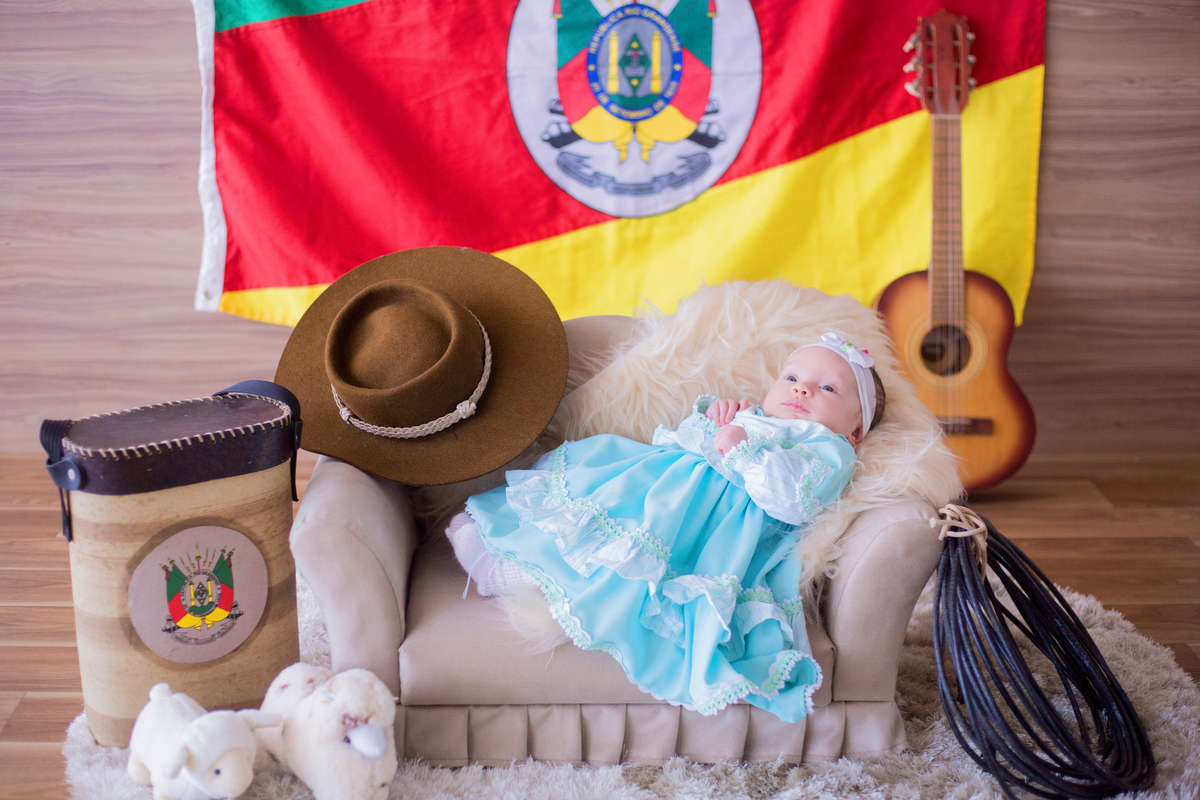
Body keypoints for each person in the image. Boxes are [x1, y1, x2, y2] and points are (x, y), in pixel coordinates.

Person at [445, 333, 886, 723]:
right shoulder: (751, 415)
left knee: (631, 561)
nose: (802, 388)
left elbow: (795, 502)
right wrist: (716, 419)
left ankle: (512, 577)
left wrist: (744, 451)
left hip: (711, 525)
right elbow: (674, 441)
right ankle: (502, 547)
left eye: (828, 388)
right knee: (594, 507)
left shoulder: (827, 449)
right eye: (792, 377)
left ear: (856, 430)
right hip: (657, 484)